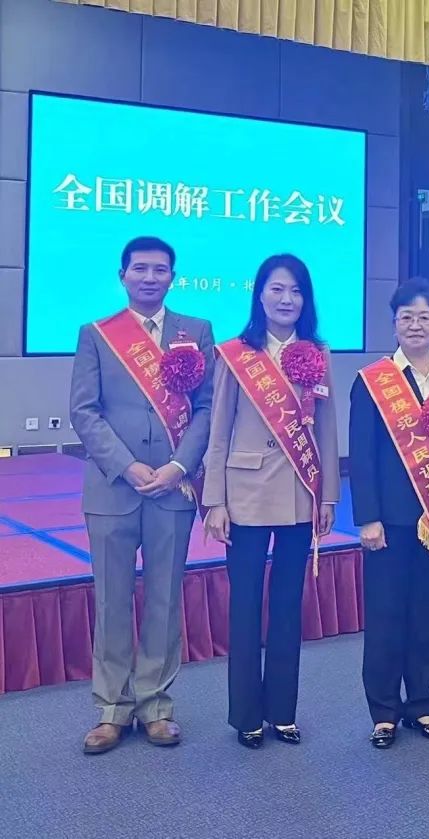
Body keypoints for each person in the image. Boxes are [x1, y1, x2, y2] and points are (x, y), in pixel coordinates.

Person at [70, 236, 214, 754]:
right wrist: (127, 466)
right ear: (123, 275)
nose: (150, 277)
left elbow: (206, 407)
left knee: (163, 598)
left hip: (172, 489)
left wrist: (178, 466)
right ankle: (112, 709)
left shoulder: (196, 332)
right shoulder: (97, 334)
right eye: (140, 269)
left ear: (173, 277)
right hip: (113, 488)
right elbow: (84, 411)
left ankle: (155, 705)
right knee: (111, 600)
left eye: (160, 269)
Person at [202, 254, 339, 749]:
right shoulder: (236, 354)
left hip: (301, 495)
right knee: (245, 606)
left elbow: (327, 430)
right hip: (245, 495)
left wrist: (328, 495)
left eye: (296, 291)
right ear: (260, 295)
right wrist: (214, 500)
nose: (287, 299)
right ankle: (246, 716)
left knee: (286, 606)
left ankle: (282, 712)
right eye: (277, 289)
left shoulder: (317, 353)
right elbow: (219, 430)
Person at [349, 278, 429, 749]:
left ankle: (421, 704)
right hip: (388, 521)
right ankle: (383, 712)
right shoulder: (373, 381)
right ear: (395, 324)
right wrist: (368, 517)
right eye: (407, 317)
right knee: (385, 616)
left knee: (427, 616)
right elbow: (362, 454)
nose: (415, 325)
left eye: (424, 317)